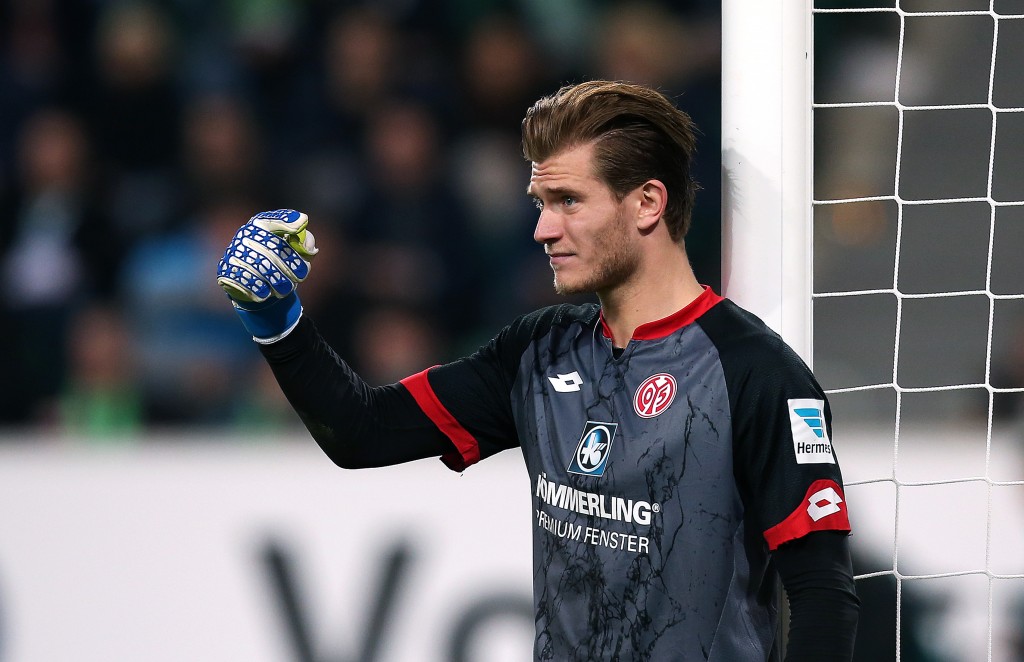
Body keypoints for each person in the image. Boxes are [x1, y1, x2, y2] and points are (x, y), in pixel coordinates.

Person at [215, 80, 859, 660]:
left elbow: (823, 593)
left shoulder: (755, 374)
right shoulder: (539, 351)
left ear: (647, 204)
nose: (543, 229)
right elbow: (364, 433)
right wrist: (280, 323)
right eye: (540, 201)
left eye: (569, 201)